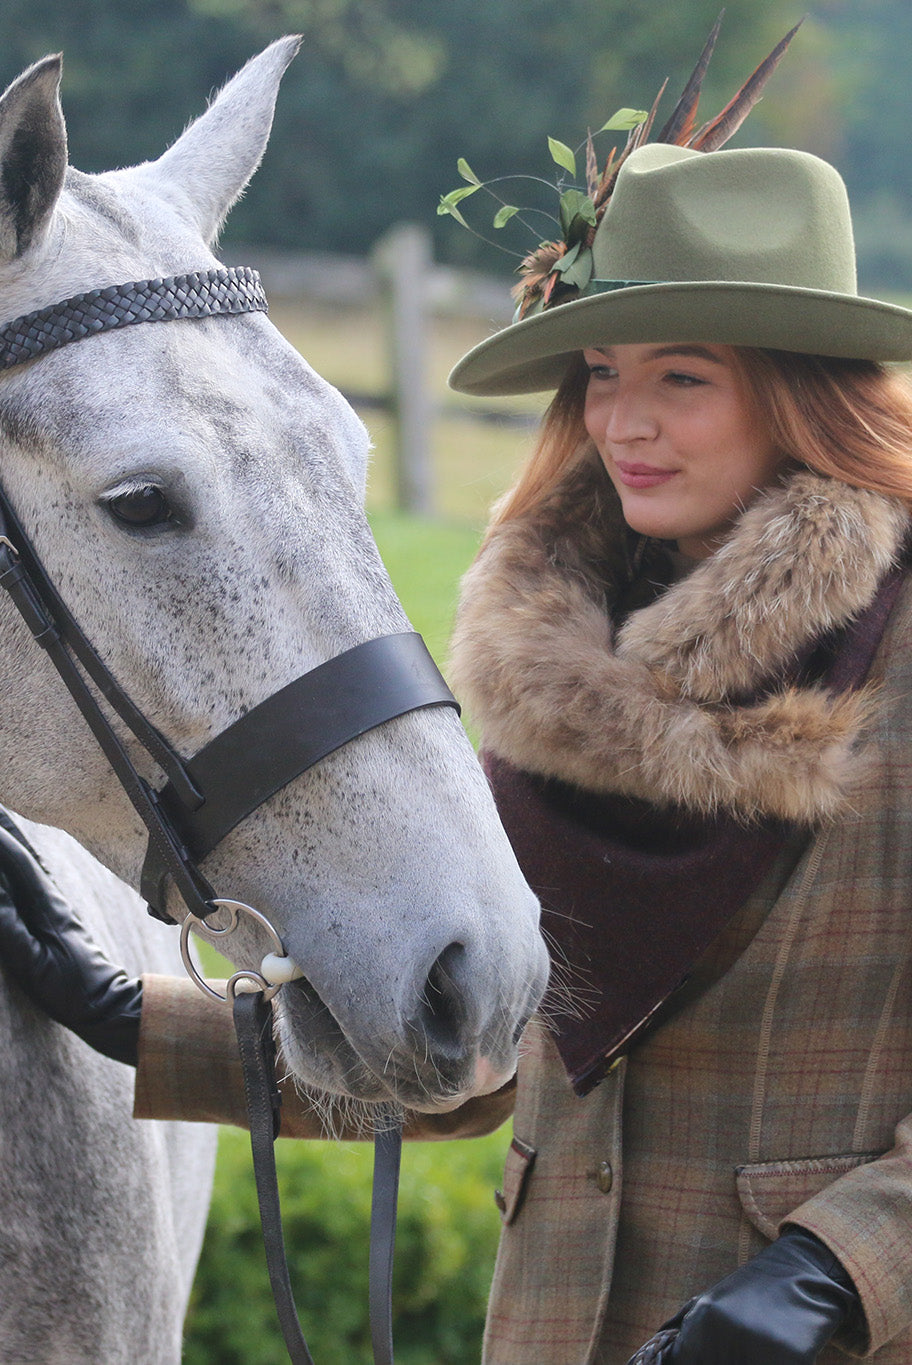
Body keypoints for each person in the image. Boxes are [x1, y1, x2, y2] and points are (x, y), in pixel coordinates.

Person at [6, 138, 912, 1365]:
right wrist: (124, 1016)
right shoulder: (567, 655)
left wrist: (836, 1273)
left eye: (683, 377)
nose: (624, 422)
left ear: (801, 389)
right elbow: (474, 1050)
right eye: (602, 373)